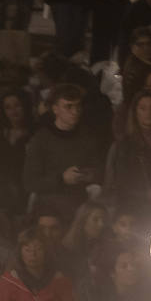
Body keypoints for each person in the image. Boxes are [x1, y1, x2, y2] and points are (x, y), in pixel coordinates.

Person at [23, 83, 104, 217]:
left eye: (78, 106)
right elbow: (30, 182)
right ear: (55, 109)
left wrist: (91, 174)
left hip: (80, 203)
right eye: (68, 106)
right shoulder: (41, 140)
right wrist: (61, 179)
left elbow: (99, 170)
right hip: (49, 208)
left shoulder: (87, 137)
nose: (75, 111)